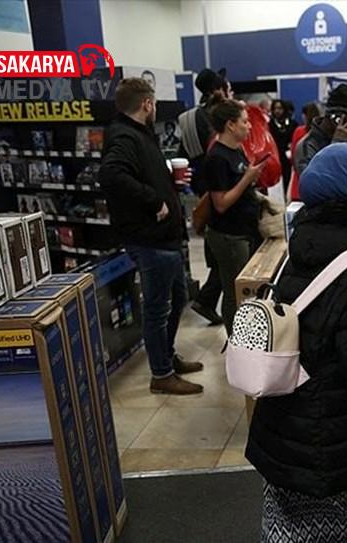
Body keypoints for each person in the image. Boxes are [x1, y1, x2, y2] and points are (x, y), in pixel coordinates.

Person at [246, 143, 347, 542]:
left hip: (281, 414)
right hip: (330, 433)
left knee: (287, 525)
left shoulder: (300, 242)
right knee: (342, 527)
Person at [99, 78, 204, 395]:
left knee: (178, 299)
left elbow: (138, 173)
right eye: (154, 103)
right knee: (158, 309)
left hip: (164, 238)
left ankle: (166, 357)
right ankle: (161, 374)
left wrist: (168, 181)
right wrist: (154, 200)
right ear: (146, 104)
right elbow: (112, 174)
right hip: (149, 239)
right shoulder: (124, 136)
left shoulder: (139, 134)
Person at [203, 97, 267, 336]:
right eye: (245, 122)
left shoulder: (237, 150)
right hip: (229, 235)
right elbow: (220, 203)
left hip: (245, 229)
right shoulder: (217, 158)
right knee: (235, 293)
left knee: (246, 289)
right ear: (230, 125)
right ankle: (236, 342)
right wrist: (246, 179)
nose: (249, 126)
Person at [179, 68, 230, 326]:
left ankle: (207, 299)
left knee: (218, 247)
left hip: (203, 190)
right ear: (217, 89)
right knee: (228, 251)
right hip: (225, 190)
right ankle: (209, 299)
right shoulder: (223, 116)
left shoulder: (188, 118)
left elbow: (183, 157)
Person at [288, 102, 321, 201]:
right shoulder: (322, 134)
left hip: (299, 182)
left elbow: (293, 156)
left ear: (305, 115)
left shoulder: (299, 131)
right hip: (318, 183)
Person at [268, 99, 298, 192]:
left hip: (289, 160)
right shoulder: (269, 125)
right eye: (275, 108)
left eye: (280, 108)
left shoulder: (293, 124)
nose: (277, 111)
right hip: (275, 158)